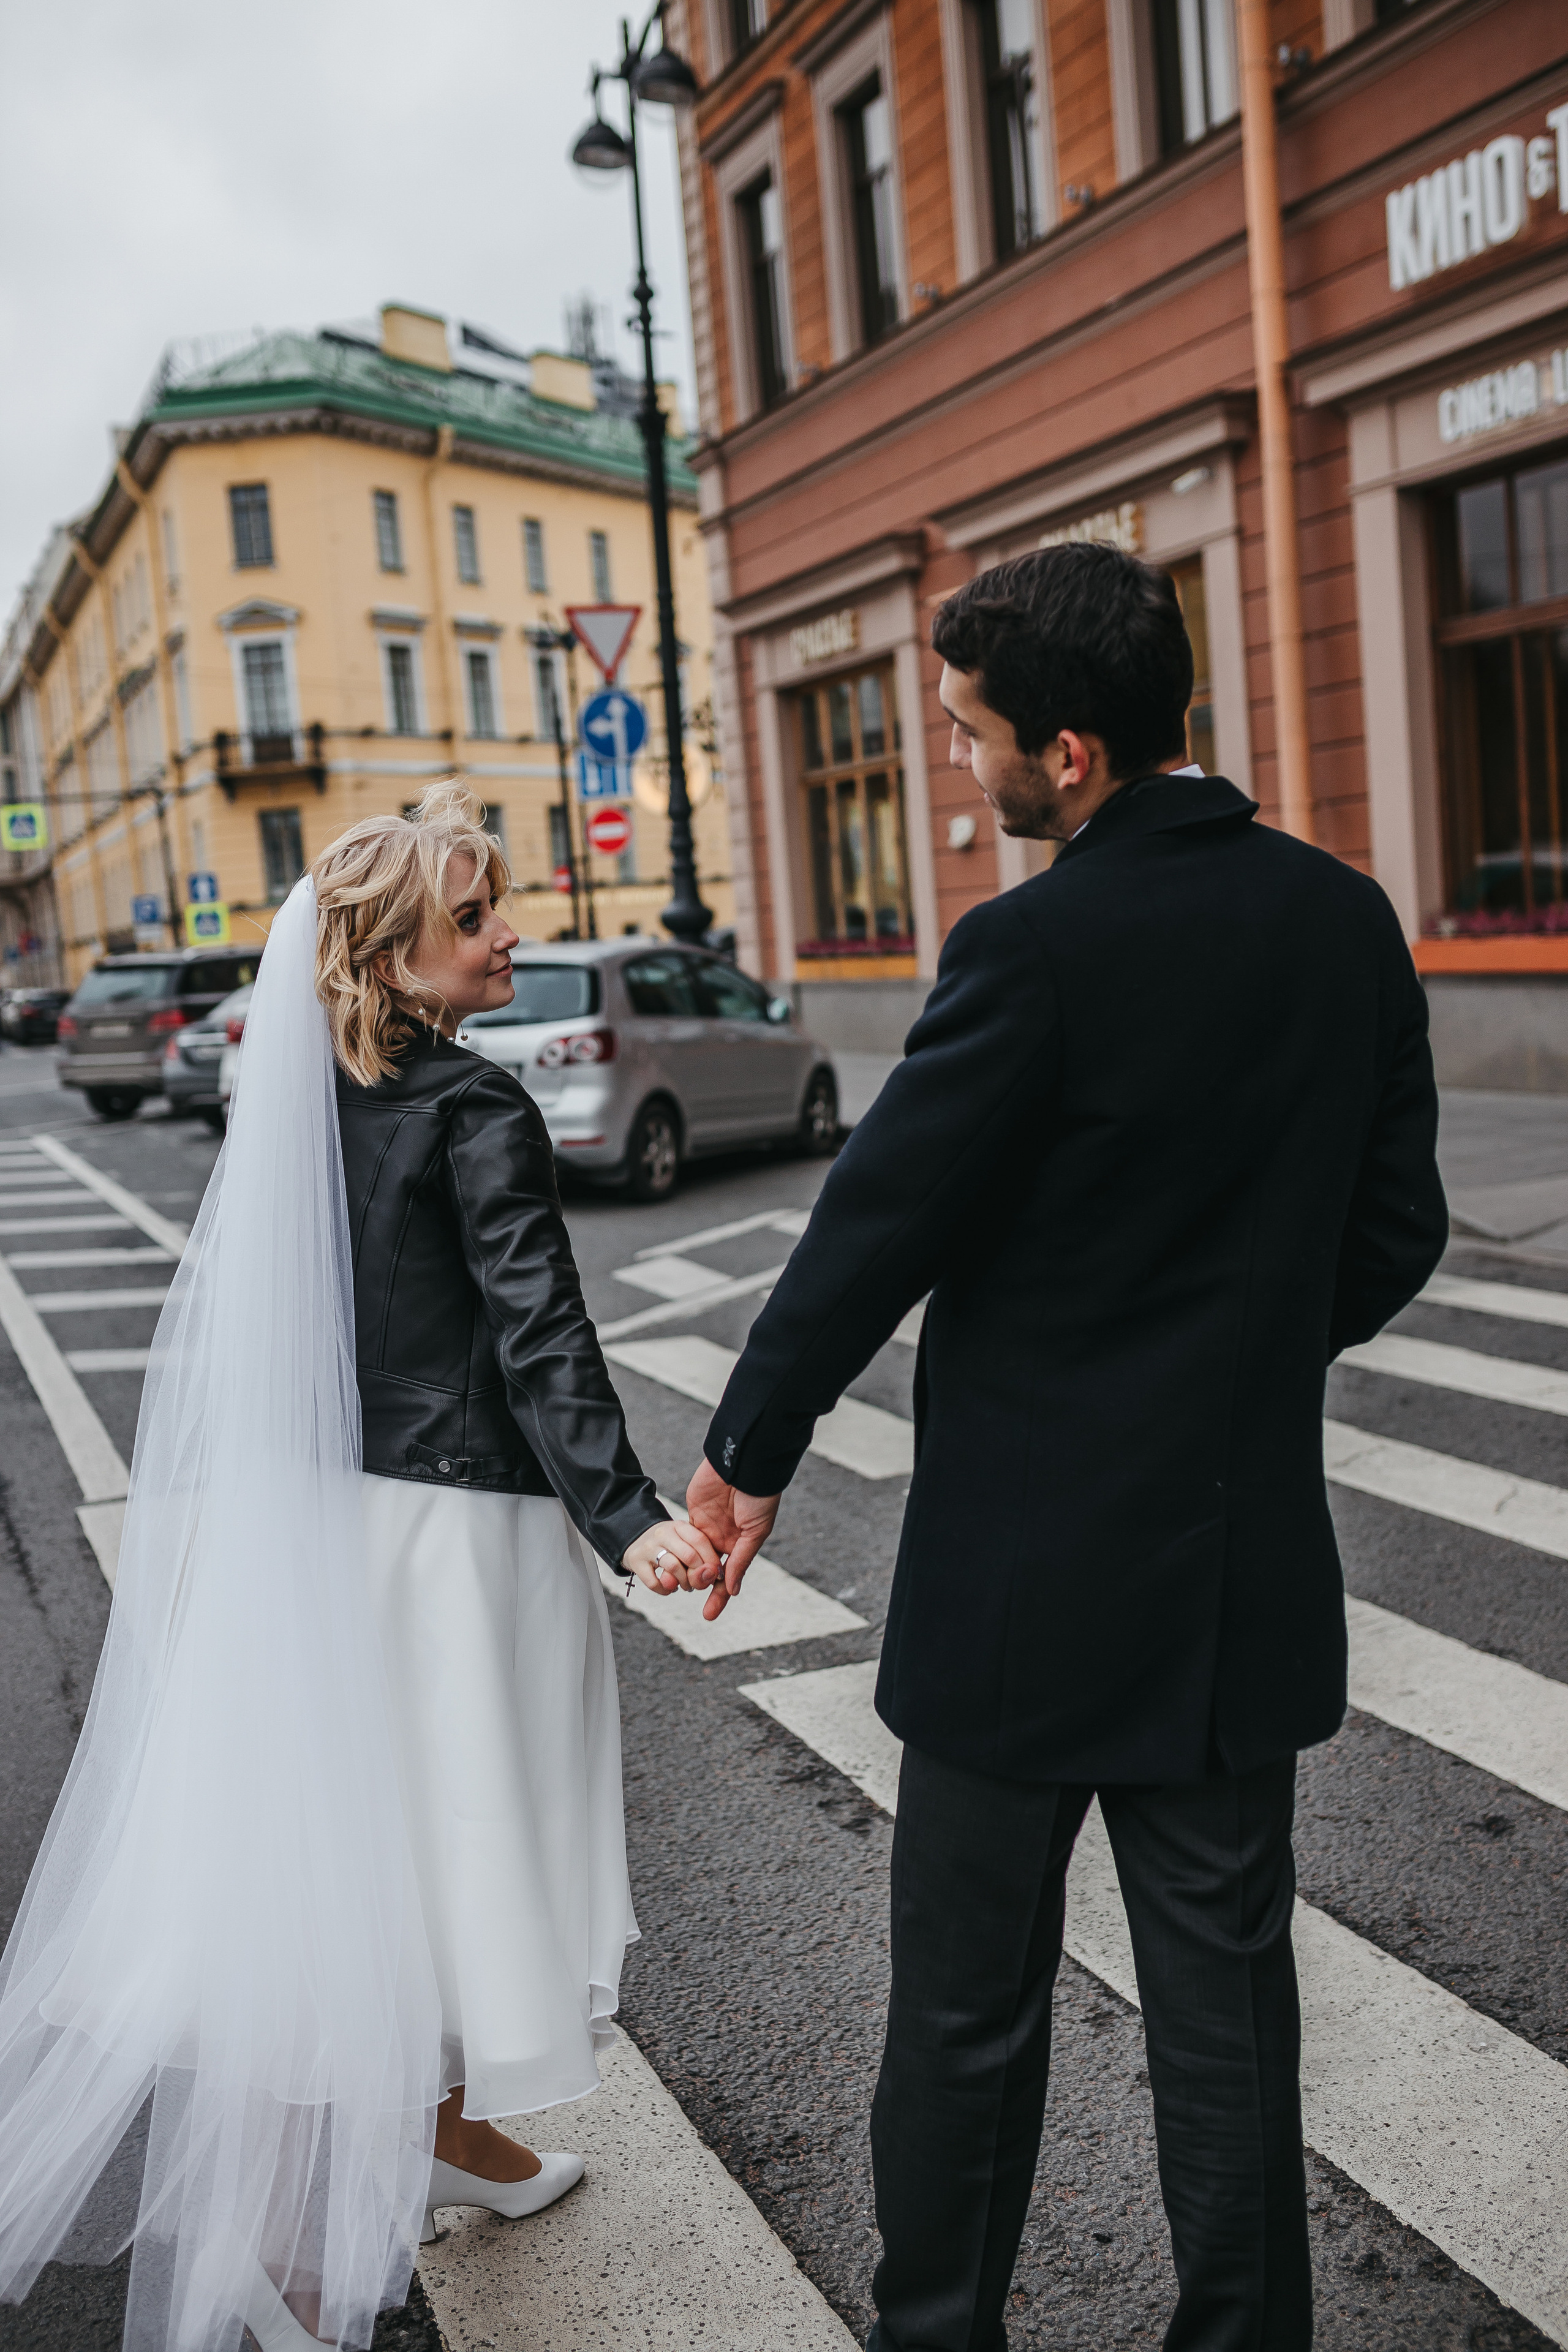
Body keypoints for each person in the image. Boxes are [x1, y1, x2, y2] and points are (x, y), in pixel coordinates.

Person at [685, 545, 1449, 2352]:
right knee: (1227, 2013)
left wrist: (749, 1445)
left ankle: (938, 2337)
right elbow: (1398, 1226)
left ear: (1075, 751)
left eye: (974, 736)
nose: (963, 766)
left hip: (1020, 1585)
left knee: (963, 2014)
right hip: (1232, 1570)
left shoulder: (1027, 946)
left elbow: (880, 1222)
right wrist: (1243, 1356)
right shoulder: (1343, 920)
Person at [0, 782, 715, 2352]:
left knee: (360, 1851)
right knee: (461, 1842)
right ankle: (306, 2245)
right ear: (391, 962)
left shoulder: (292, 1109)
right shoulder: (474, 1109)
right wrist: (630, 1515)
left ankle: (450, 2140)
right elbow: (540, 1338)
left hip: (323, 1527)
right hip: (463, 1542)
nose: (509, 935)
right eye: (473, 919)